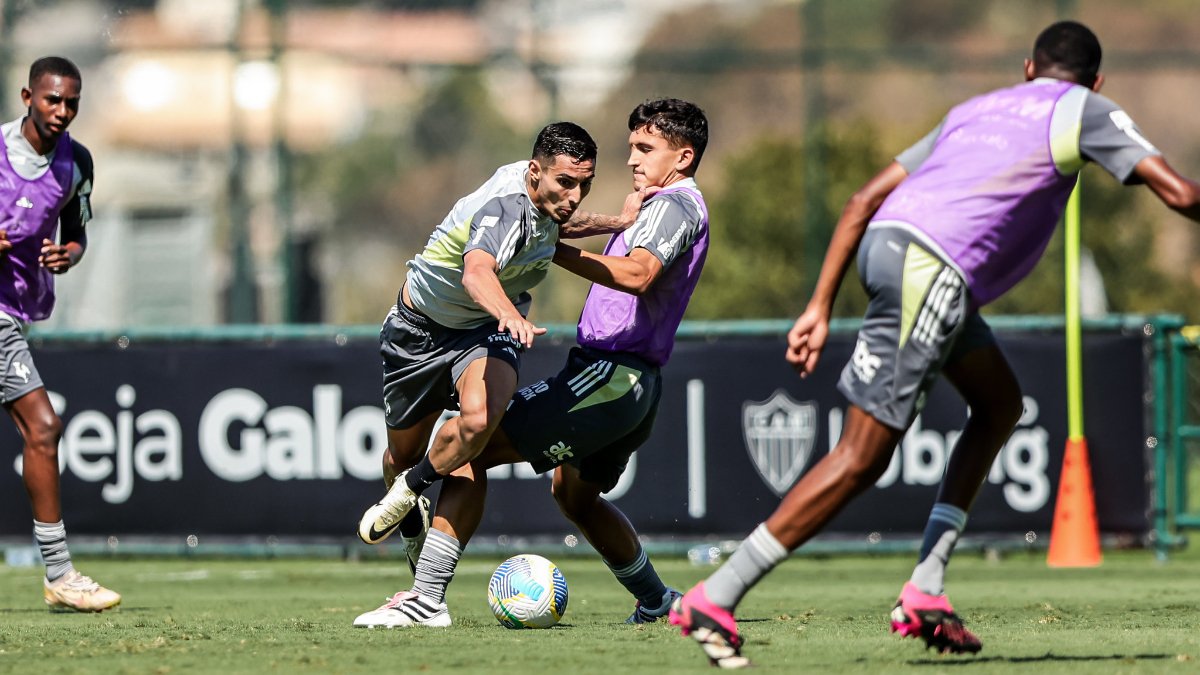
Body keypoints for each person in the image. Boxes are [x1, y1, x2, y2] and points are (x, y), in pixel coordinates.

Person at [669, 20, 1200, 668]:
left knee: (1000, 403)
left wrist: (818, 305)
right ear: (1097, 81)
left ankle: (926, 586)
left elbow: (861, 199)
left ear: (1028, 69)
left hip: (892, 249)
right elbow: (1179, 191)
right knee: (862, 456)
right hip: (933, 269)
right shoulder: (1086, 108)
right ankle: (716, 594)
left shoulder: (974, 110)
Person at [352, 98, 710, 628]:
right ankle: (657, 599)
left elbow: (637, 275)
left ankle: (425, 596)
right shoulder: (643, 203)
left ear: (682, 157)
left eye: (645, 148)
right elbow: (543, 233)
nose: (632, 160)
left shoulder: (677, 205)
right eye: (632, 146)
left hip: (608, 376)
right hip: (631, 383)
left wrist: (544, 249)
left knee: (470, 449)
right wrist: (566, 234)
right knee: (575, 497)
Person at [355, 122, 599, 577]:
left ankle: (412, 492)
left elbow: (561, 221)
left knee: (480, 422)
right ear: (533, 172)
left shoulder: (544, 199)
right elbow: (476, 272)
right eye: (566, 182)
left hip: (484, 328)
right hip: (421, 330)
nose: (574, 197)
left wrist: (619, 221)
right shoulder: (505, 206)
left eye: (584, 185)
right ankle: (411, 511)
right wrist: (510, 313)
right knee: (400, 455)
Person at [1, 57, 120, 612]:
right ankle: (60, 573)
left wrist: (67, 254)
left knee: (42, 431)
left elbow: (76, 233)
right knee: (43, 426)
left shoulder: (77, 163)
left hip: (16, 312)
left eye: (71, 102)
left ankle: (57, 574)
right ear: (28, 96)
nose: (62, 111)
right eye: (52, 100)